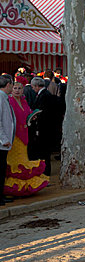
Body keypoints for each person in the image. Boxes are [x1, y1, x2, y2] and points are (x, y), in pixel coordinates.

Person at [5, 77, 49, 196]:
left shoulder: (24, 101)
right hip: (14, 136)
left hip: (25, 135)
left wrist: (32, 116)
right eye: (15, 88)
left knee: (23, 159)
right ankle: (12, 188)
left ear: (23, 89)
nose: (17, 90)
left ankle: (24, 187)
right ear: (11, 89)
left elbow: (28, 114)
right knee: (14, 162)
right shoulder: (9, 101)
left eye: (19, 88)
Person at [28, 77, 57, 176]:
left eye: (33, 87)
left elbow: (44, 112)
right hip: (45, 127)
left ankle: (46, 171)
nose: (32, 89)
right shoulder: (44, 94)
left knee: (45, 151)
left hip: (44, 128)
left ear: (36, 86)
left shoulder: (44, 95)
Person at [0, 75, 16, 205]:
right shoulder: (0, 98)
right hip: (2, 142)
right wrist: (3, 138)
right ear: (8, 84)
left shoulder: (4, 98)